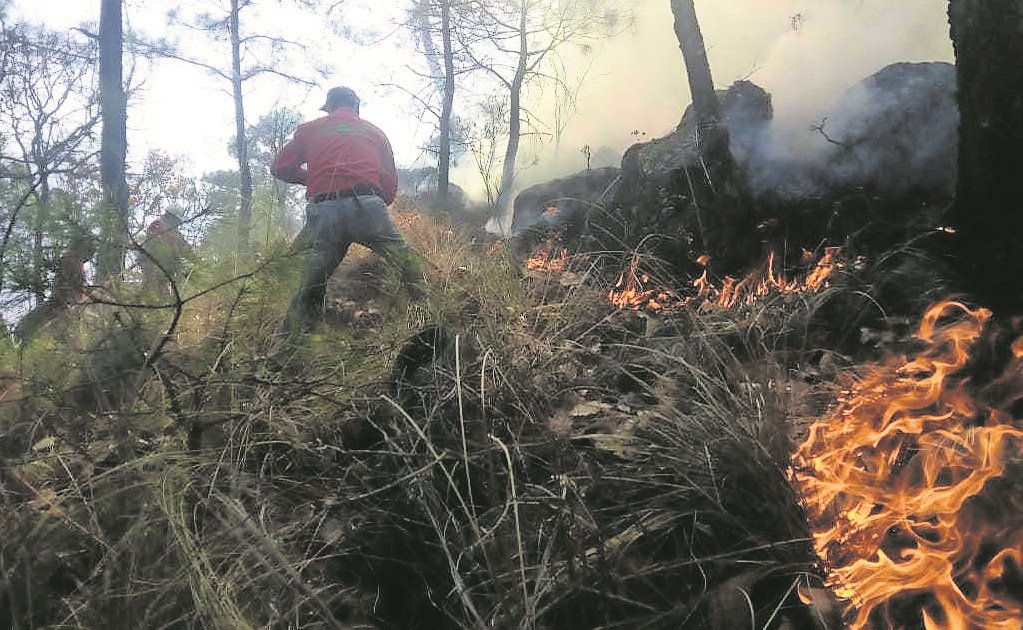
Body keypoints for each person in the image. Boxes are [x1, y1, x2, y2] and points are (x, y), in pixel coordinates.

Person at [270, 86, 427, 338]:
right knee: (406, 261)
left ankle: (290, 344)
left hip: (325, 210)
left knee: (311, 281)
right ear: (356, 107)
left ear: (330, 107)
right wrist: (373, 205)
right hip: (368, 206)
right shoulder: (375, 132)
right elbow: (389, 183)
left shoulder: (309, 129)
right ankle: (430, 314)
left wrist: (313, 179)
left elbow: (280, 167)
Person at [140, 210, 192, 294]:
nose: (177, 224)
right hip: (152, 263)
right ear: (171, 217)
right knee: (153, 289)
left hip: (163, 265)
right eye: (176, 221)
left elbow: (182, 244)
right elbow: (170, 242)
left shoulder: (173, 230)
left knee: (162, 288)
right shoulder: (157, 225)